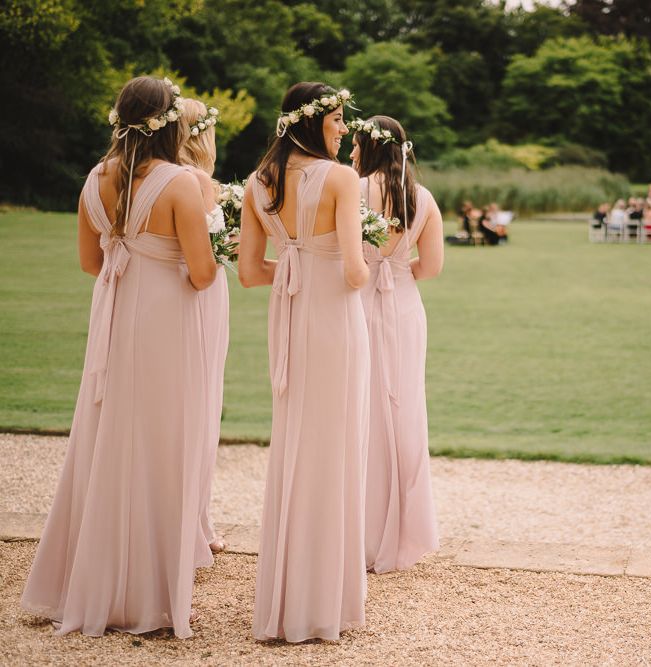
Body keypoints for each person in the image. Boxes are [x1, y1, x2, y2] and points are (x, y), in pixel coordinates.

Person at [21, 76, 217, 638]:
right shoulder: (180, 182)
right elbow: (202, 274)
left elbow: (90, 262)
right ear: (169, 122)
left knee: (106, 438)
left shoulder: (93, 179)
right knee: (161, 444)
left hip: (113, 312)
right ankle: (150, 594)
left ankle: (89, 581)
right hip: (164, 321)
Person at [239, 82, 370, 642]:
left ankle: (286, 598)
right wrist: (369, 255)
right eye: (338, 119)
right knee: (335, 444)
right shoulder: (342, 179)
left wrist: (295, 265)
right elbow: (355, 271)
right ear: (313, 122)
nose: (344, 129)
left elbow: (249, 271)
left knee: (295, 441)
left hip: (290, 316)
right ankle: (323, 603)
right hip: (335, 322)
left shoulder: (256, 182)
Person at [349, 115, 443, 573]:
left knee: (358, 409)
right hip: (405, 309)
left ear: (366, 147)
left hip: (355, 304)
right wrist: (398, 267)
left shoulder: (351, 189)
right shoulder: (421, 198)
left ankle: (357, 530)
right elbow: (431, 268)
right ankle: (404, 531)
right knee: (404, 411)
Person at [179, 97, 228, 555]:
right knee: (200, 401)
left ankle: (198, 519)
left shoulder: (135, 176)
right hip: (199, 293)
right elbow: (205, 259)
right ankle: (195, 523)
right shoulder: (196, 181)